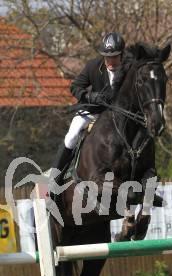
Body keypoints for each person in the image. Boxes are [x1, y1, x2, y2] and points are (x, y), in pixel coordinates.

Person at [53, 32, 125, 172]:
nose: (110, 61)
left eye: (114, 57)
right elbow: (75, 87)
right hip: (93, 111)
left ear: (121, 55)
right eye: (107, 57)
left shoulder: (128, 69)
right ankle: (54, 179)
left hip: (118, 115)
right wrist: (90, 96)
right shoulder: (93, 66)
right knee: (72, 136)